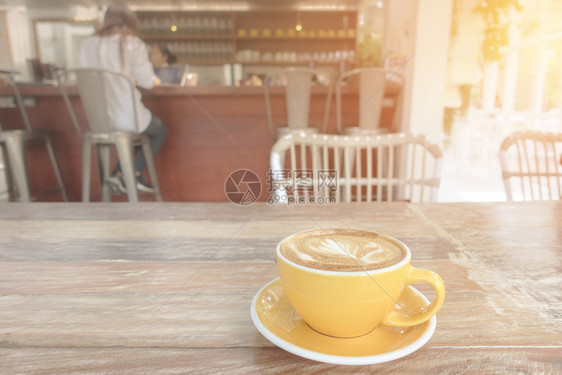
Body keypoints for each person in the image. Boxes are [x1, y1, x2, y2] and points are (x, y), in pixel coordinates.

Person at [80, 2, 168, 194]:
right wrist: (157, 80)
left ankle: (119, 176)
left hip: (98, 121)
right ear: (131, 22)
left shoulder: (88, 43)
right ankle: (134, 174)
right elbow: (147, 81)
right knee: (159, 130)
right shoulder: (133, 44)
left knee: (130, 136)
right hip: (127, 116)